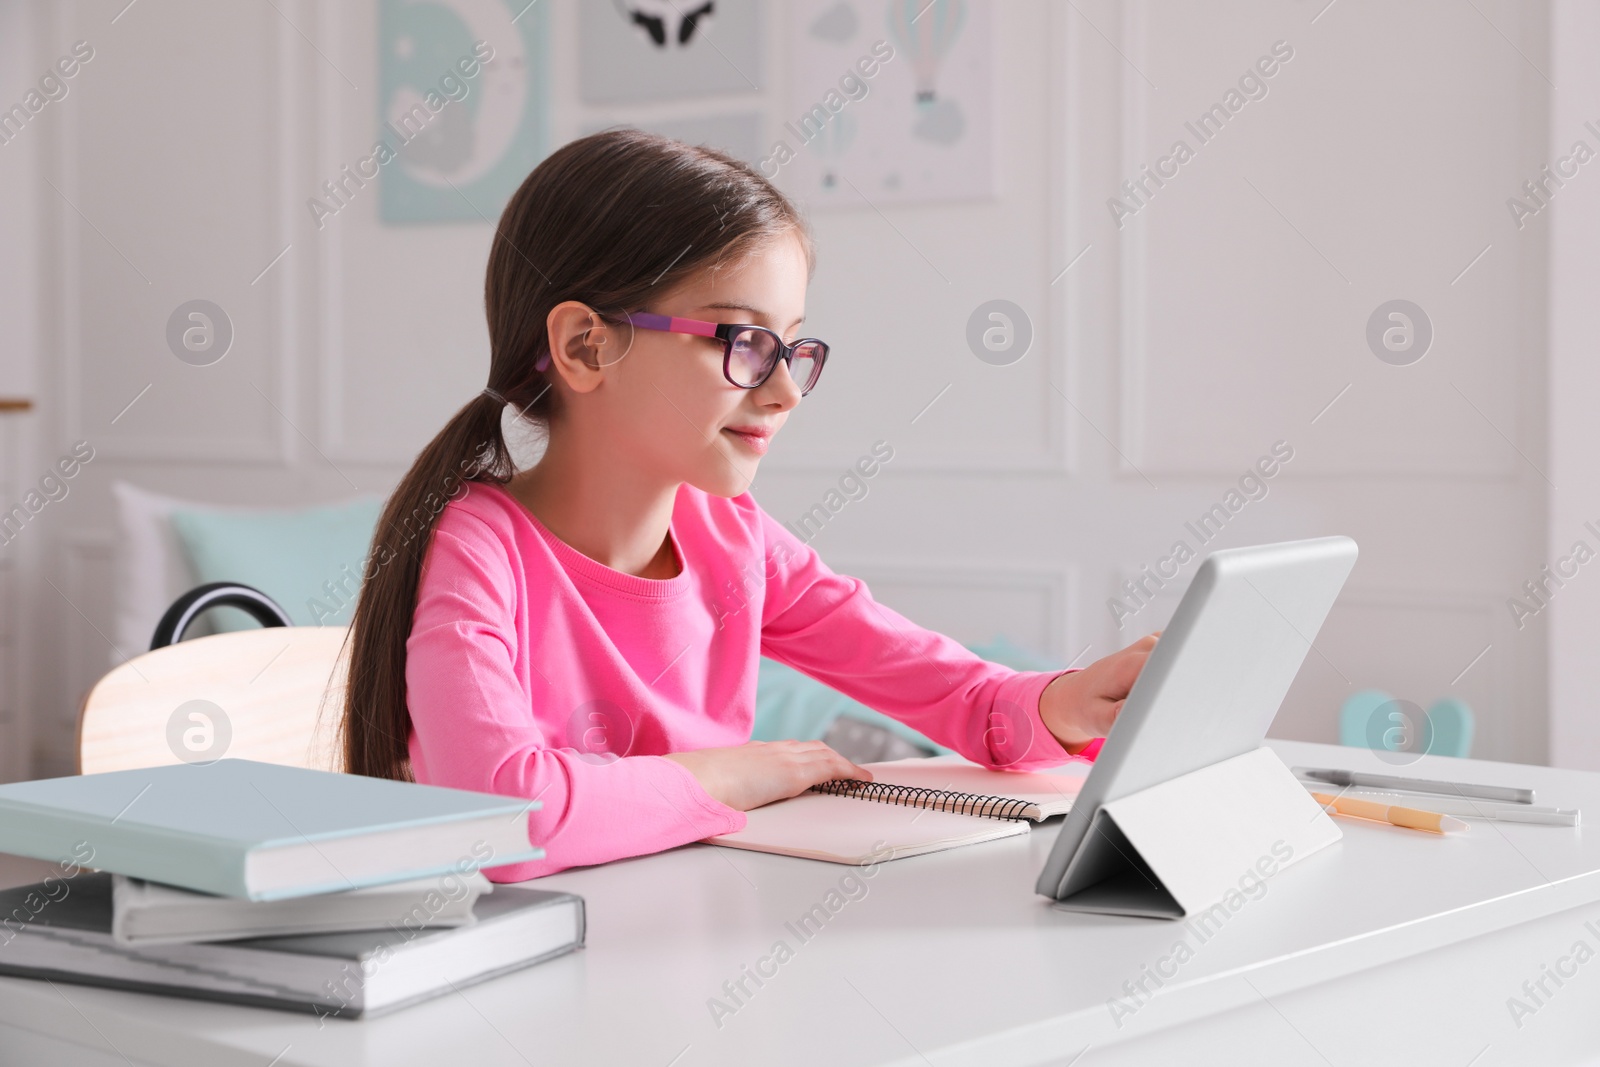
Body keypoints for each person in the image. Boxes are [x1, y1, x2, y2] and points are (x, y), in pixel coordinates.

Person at [340, 129, 1158, 880]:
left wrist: (1070, 699)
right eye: (742, 341)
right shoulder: (480, 549)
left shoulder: (735, 542)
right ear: (588, 346)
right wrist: (734, 771)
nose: (787, 389)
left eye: (792, 345)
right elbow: (503, 816)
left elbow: (963, 696)